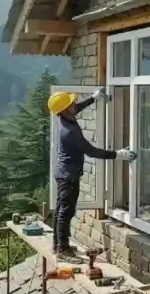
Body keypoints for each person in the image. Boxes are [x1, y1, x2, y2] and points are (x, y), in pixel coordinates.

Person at [47, 87, 137, 260]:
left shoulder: (65, 118)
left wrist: (93, 98)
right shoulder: (70, 132)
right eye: (71, 103)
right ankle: (62, 250)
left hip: (64, 173)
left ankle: (57, 244)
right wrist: (118, 155)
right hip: (69, 177)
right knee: (66, 212)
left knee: (60, 210)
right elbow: (91, 151)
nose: (75, 104)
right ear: (65, 110)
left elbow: (77, 108)